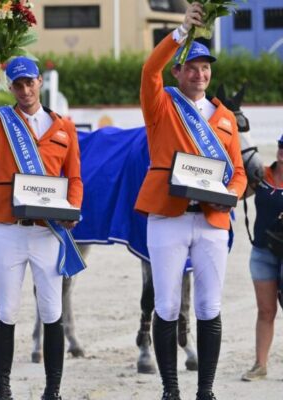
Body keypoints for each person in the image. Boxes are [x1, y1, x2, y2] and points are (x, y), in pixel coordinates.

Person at [137, 3, 247, 399]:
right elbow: (150, 69)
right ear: (178, 71)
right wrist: (182, 31)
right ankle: (170, 389)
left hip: (212, 219)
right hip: (168, 217)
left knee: (208, 305)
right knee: (166, 305)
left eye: (206, 68)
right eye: (192, 67)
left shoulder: (225, 118)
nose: (200, 74)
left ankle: (205, 389)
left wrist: (231, 195)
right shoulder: (161, 104)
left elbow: (238, 173)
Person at [0, 57, 82, 400]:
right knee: (7, 310)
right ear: (10, 88)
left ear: (40, 82)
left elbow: (74, 177)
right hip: (9, 229)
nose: (25, 90)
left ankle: (53, 391)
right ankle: (3, 390)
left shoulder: (64, 127)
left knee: (52, 310)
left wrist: (73, 208)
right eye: (17, 84)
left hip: (48, 231)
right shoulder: (1, 121)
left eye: (30, 82)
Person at [240, 133, 283, 382]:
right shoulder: (263, 175)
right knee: (265, 310)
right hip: (262, 252)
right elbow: (238, 194)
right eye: (280, 146)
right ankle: (260, 365)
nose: (282, 151)